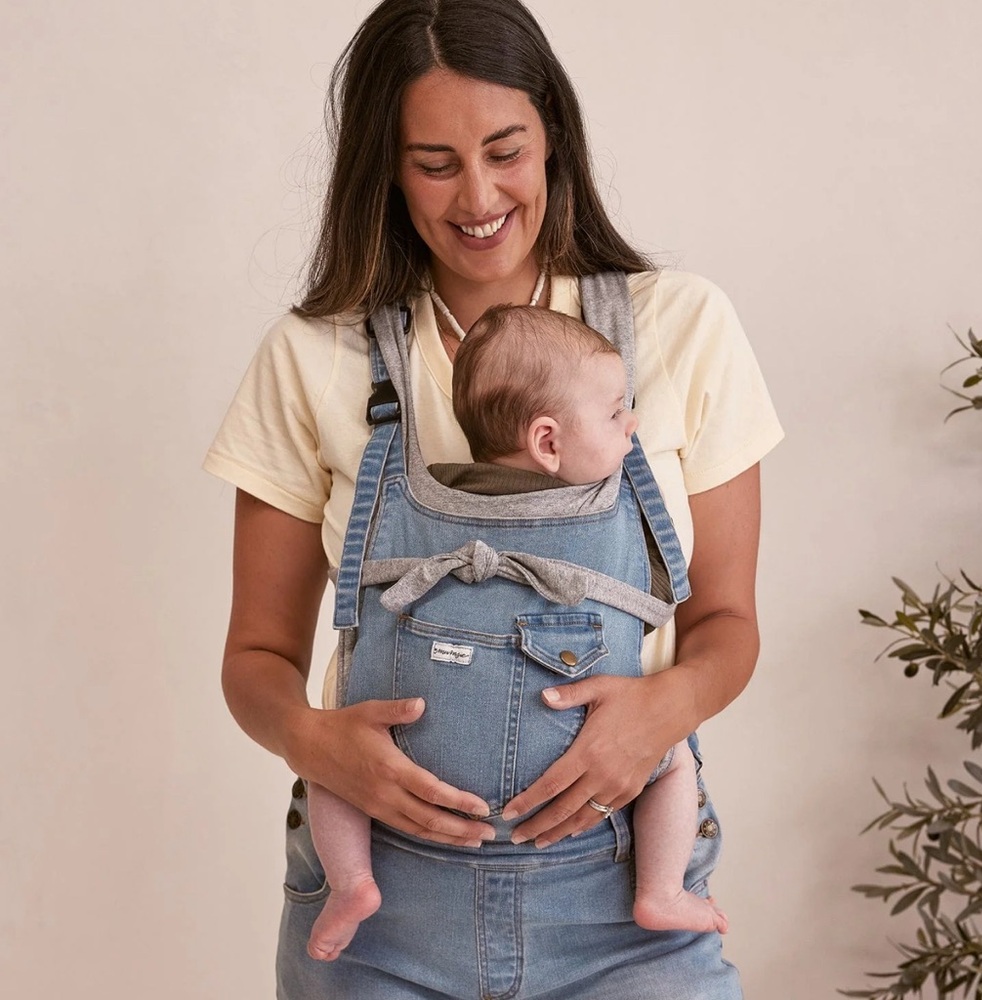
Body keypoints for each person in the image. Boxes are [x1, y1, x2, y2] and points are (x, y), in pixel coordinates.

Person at [204, 1, 783, 996]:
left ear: (552, 132)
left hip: (623, 903)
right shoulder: (313, 357)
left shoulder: (679, 328)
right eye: (433, 163)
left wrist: (656, 717)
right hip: (379, 903)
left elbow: (726, 623)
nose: (477, 196)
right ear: (382, 167)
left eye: (504, 150)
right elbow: (255, 659)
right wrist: (316, 742)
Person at [304, 305, 729, 961]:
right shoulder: (606, 510)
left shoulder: (409, 491)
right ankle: (661, 889)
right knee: (671, 760)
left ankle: (352, 882)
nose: (632, 423)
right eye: (617, 413)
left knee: (328, 764)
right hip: (566, 838)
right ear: (548, 444)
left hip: (406, 790)